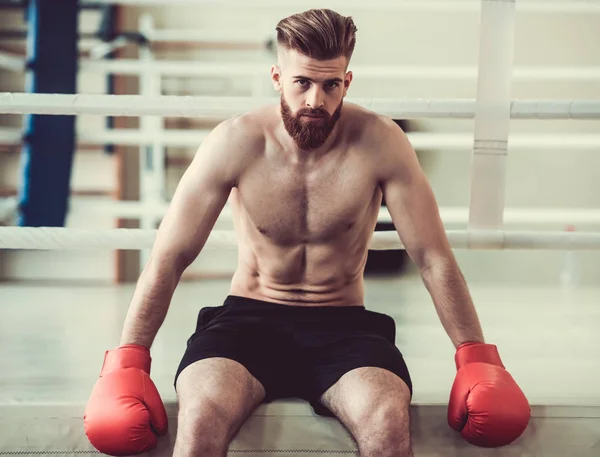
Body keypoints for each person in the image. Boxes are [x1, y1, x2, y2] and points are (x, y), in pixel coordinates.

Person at [83, 8, 530, 457]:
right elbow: (169, 256)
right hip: (248, 321)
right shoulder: (235, 142)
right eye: (302, 82)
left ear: (347, 82)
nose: (316, 100)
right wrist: (128, 360)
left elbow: (433, 257)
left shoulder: (381, 142)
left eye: (330, 84)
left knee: (387, 421)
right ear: (277, 77)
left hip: (344, 326)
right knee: (199, 417)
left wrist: (475, 357)